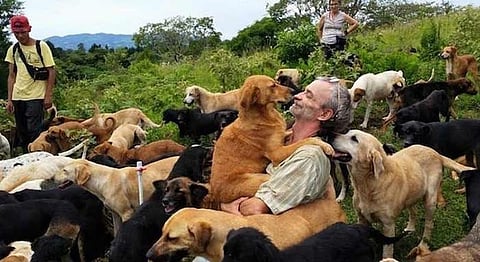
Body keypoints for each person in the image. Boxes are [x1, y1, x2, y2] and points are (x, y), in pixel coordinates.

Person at [221, 77, 352, 215]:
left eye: (308, 95)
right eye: (303, 91)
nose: (297, 95)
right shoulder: (282, 136)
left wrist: (226, 206)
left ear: (324, 114)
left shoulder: (308, 158)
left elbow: (254, 209)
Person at [4, 15, 56, 153]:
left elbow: (51, 71)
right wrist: (9, 100)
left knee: (34, 131)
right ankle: (26, 158)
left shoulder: (41, 46)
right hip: (18, 96)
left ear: (29, 30)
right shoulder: (13, 49)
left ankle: (36, 156)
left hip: (36, 96)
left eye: (23, 32)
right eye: (17, 33)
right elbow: (11, 75)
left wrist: (48, 95)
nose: (20, 36)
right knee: (22, 132)